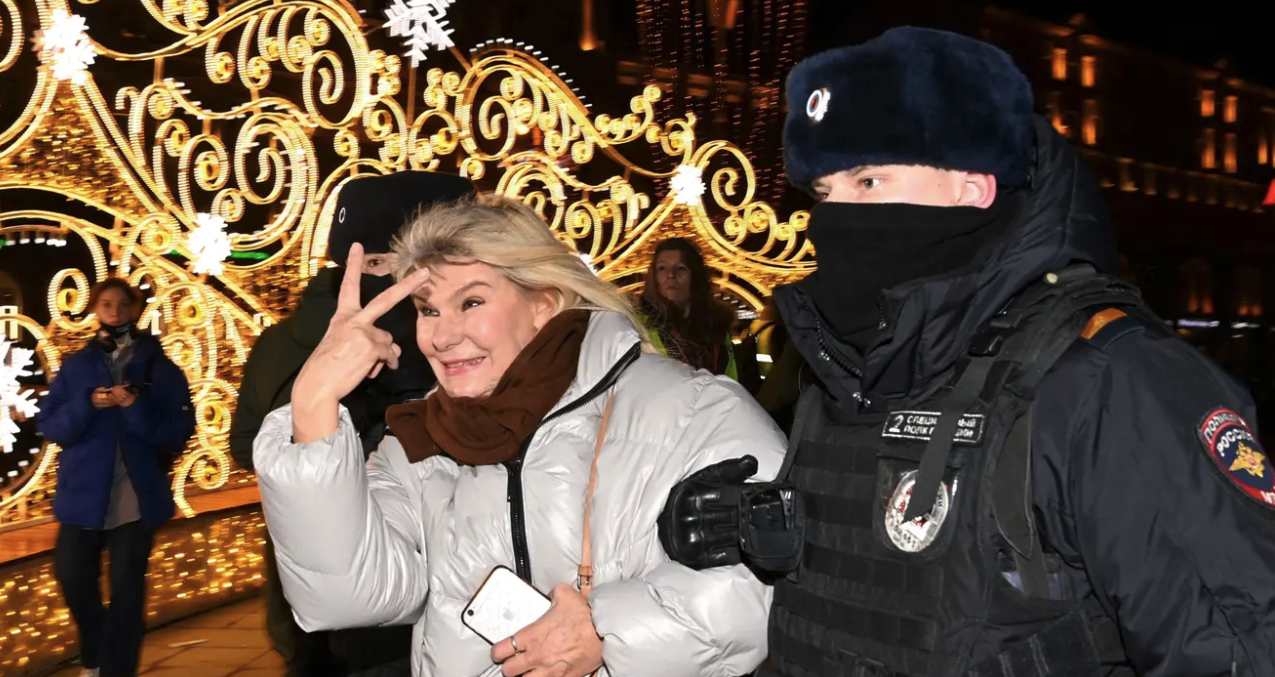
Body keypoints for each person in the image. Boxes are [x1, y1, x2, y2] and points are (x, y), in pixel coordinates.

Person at [657, 27, 1275, 676]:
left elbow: (1239, 642)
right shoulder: (850, 370)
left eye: (868, 180)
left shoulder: (1111, 380)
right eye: (824, 192)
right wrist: (755, 525)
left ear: (971, 186)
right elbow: (895, 576)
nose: (833, 217)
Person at [251, 194, 783, 677]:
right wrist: (313, 404)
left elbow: (768, 581)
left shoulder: (689, 411)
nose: (442, 335)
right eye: (428, 310)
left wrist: (610, 629)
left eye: (472, 302)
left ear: (543, 303)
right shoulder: (416, 446)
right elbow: (343, 595)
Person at [229, 171, 475, 677]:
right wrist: (325, 439)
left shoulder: (278, 340)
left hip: (320, 603)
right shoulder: (413, 349)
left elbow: (245, 447)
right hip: (386, 610)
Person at [37, 279, 195, 677]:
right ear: (94, 309)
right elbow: (53, 426)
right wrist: (88, 403)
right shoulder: (77, 367)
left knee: (127, 593)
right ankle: (95, 653)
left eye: (123, 304)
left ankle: (116, 670)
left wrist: (134, 407)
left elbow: (178, 430)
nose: (114, 311)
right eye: (105, 303)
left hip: (134, 498)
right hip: (83, 496)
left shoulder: (160, 367)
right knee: (72, 578)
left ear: (135, 309)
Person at [639, 237, 740, 380]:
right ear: (654, 277)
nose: (671, 275)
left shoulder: (718, 327)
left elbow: (731, 382)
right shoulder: (639, 326)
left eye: (681, 268)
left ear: (695, 276)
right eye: (662, 268)